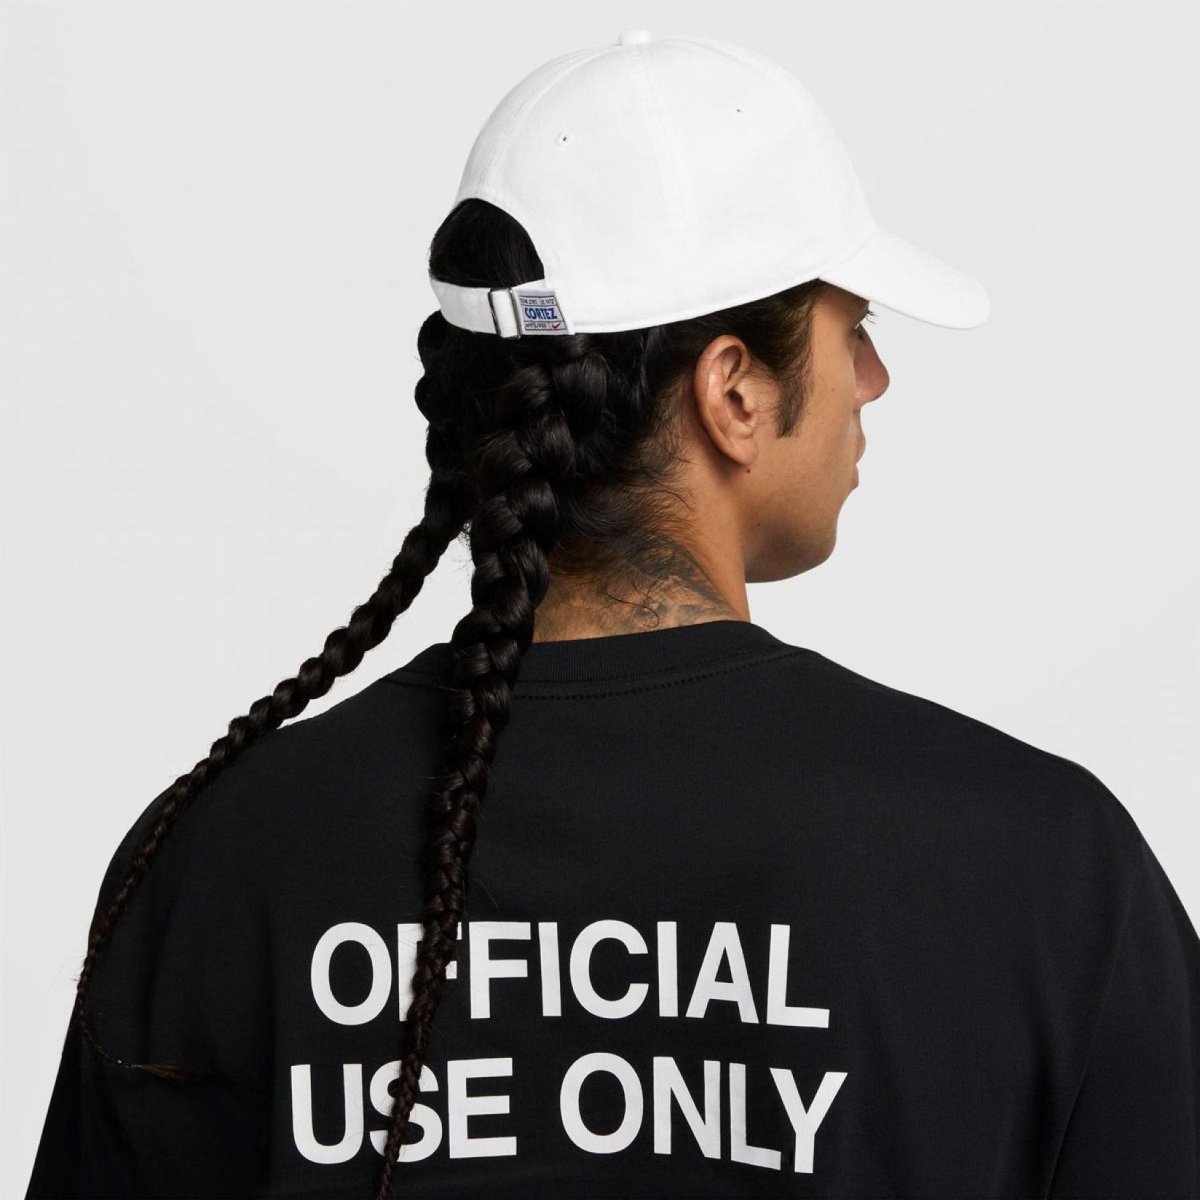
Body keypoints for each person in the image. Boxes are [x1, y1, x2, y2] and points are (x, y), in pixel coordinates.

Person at [26, 28, 1199, 1200]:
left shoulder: (217, 862)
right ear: (733, 391)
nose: (875, 380)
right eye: (856, 331)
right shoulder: (1039, 870)